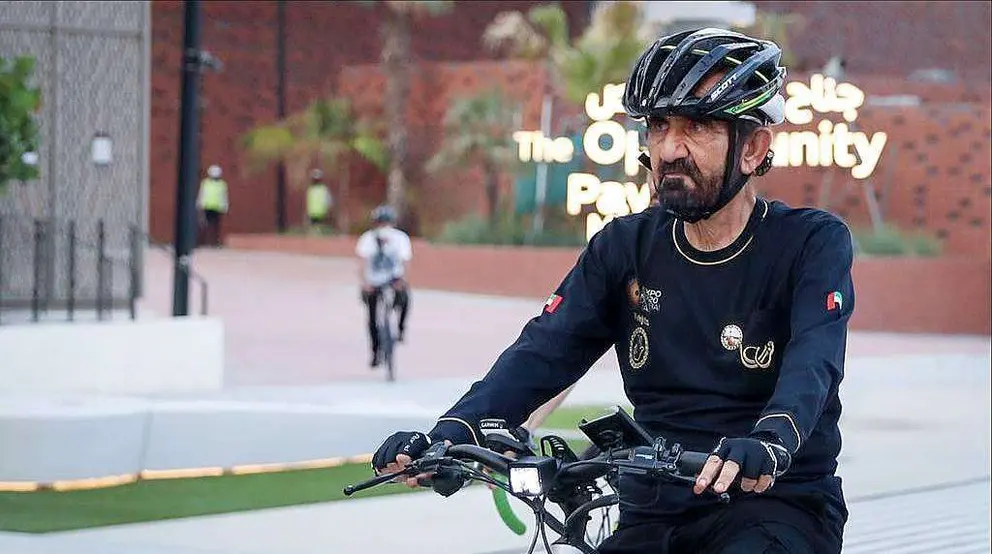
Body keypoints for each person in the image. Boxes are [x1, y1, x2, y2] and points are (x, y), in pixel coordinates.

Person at [370, 27, 854, 554]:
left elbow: (815, 364)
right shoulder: (623, 247)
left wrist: (772, 440)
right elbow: (544, 350)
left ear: (754, 146)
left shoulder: (811, 243)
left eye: (697, 126)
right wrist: (451, 433)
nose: (670, 148)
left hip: (774, 508)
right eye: (660, 126)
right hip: (654, 509)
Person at [356, 205, 412, 368]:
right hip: (373, 281)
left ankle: (401, 329)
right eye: (381, 222)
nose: (384, 226)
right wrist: (365, 282)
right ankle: (375, 351)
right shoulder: (367, 239)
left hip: (394, 278)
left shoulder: (401, 238)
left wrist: (402, 280)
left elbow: (406, 261)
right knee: (372, 316)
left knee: (405, 298)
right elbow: (361, 262)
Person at [196, 164, 229, 247]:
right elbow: (202, 194)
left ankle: (213, 243)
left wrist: (225, 206)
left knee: (214, 227)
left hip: (216, 207)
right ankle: (202, 242)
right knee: (204, 225)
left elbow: (224, 196)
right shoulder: (206, 183)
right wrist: (199, 204)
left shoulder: (222, 184)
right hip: (207, 207)